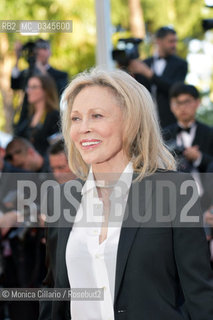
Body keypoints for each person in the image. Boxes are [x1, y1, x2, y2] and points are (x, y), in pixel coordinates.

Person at [39, 68, 213, 320]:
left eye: (96, 115)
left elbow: (199, 294)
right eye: (75, 118)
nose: (83, 128)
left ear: (130, 120)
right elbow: (53, 290)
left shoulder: (173, 191)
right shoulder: (62, 198)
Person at [128, 26, 188, 128]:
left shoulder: (181, 64)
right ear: (159, 41)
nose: (174, 45)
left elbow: (175, 89)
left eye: (175, 41)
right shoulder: (145, 63)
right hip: (146, 122)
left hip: (170, 123)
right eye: (171, 41)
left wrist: (149, 74)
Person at [164, 83, 213, 196]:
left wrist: (199, 157)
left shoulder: (210, 133)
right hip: (171, 198)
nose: (182, 107)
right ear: (171, 106)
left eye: (187, 102)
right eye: (177, 103)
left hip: (206, 200)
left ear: (197, 103)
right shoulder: (163, 135)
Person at [14, 74, 60, 156]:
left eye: (34, 87)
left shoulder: (54, 115)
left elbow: (56, 147)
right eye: (28, 87)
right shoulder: (29, 116)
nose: (28, 91)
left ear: (46, 90)